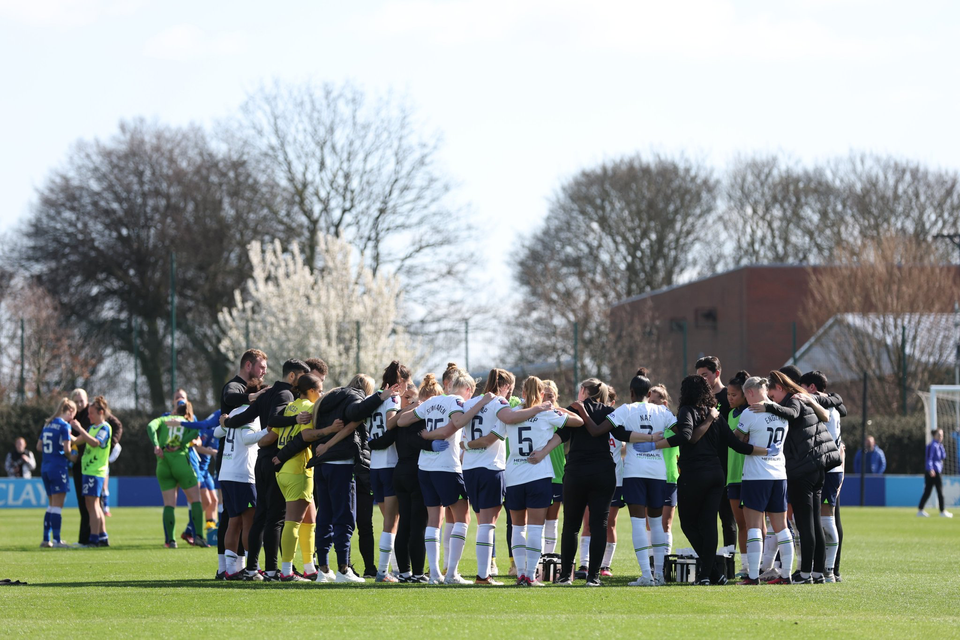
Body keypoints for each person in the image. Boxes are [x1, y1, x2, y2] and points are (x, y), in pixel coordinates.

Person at [275, 373, 400, 583]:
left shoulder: (328, 397)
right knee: (345, 516)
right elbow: (354, 415)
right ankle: (344, 568)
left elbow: (310, 432)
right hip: (340, 464)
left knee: (325, 516)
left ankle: (323, 568)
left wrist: (285, 455)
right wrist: (380, 397)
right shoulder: (355, 397)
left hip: (320, 464)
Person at [653, 375, 755, 585]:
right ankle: (710, 575)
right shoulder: (716, 414)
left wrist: (657, 443)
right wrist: (763, 450)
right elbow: (735, 444)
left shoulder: (688, 411)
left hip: (694, 475)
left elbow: (688, 436)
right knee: (708, 524)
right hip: (716, 474)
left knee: (689, 524)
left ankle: (712, 572)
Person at [455, 368, 551, 585]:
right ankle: (483, 575)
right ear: (506, 386)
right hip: (491, 468)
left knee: (482, 522)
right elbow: (510, 418)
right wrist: (538, 408)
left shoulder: (470, 403)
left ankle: (485, 572)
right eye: (510, 389)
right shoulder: (499, 403)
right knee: (488, 524)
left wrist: (467, 445)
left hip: (469, 468)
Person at [399, 368, 494, 584]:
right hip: (446, 467)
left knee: (434, 520)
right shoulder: (456, 403)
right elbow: (456, 425)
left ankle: (434, 574)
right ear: (468, 390)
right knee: (463, 517)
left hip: (425, 467)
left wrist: (419, 411)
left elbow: (402, 421)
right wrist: (481, 403)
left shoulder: (432, 402)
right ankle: (451, 574)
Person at [222, 358, 310, 580]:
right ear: (292, 376)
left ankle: (252, 568)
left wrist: (226, 423)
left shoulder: (266, 394)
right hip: (274, 460)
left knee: (261, 515)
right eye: (302, 377)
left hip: (261, 461)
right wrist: (296, 418)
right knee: (275, 518)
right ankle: (271, 570)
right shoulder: (285, 395)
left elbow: (242, 418)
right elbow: (274, 420)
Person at [752, 370, 836, 584]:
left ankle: (805, 573)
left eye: (771, 395)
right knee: (814, 522)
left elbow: (792, 413)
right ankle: (817, 572)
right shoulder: (802, 397)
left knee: (806, 523)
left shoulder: (794, 400)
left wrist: (769, 407)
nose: (771, 399)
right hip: (817, 467)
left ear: (779, 388)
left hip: (803, 469)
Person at [504, 376, 583, 586]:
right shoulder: (547, 413)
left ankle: (520, 573)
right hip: (538, 475)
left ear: (522, 393)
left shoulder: (512, 413)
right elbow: (578, 421)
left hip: (513, 475)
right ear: (541, 394)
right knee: (536, 528)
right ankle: (530, 575)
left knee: (518, 527)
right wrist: (558, 409)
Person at [605, 370, 679, 586]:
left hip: (635, 471)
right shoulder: (662, 412)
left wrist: (639, 438)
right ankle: (660, 576)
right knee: (656, 524)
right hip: (658, 472)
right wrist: (656, 442)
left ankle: (646, 575)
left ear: (630, 392)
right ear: (649, 392)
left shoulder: (626, 409)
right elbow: (680, 433)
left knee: (638, 523)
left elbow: (614, 431)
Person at [215, 348, 269, 579]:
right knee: (250, 521)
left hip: (227, 471)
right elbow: (248, 437)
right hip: (242, 473)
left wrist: (226, 424)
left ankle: (230, 569)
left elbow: (218, 430)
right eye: (262, 368)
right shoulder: (249, 410)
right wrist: (269, 430)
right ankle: (250, 569)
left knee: (233, 521)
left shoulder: (234, 411)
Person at [734, 377, 792, 585]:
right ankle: (786, 575)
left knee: (753, 527)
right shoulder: (780, 411)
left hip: (756, 476)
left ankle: (752, 576)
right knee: (782, 527)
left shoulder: (750, 412)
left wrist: (745, 438)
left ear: (749, 393)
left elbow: (736, 438)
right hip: (779, 474)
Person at [270, 373, 324, 581]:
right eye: (320, 390)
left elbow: (271, 433)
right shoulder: (309, 408)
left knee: (310, 520)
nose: (321, 394)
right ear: (311, 391)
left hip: (284, 471)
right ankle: (286, 571)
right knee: (292, 522)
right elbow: (307, 436)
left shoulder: (290, 407)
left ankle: (309, 568)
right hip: (297, 469)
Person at [365, 361, 413, 583]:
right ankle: (383, 573)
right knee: (391, 523)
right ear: (400, 382)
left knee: (389, 521)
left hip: (374, 466)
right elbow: (391, 423)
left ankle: (392, 569)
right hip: (390, 464)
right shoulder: (393, 398)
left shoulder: (374, 397)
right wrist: (411, 409)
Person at [389, 380, 437, 582]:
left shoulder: (403, 417)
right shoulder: (420, 417)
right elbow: (416, 440)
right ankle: (417, 573)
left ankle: (404, 572)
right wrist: (432, 444)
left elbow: (384, 438)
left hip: (399, 470)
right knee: (418, 525)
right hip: (415, 471)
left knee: (405, 524)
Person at [800, 370, 844, 581]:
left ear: (812, 388)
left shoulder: (823, 409)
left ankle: (829, 570)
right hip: (832, 469)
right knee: (826, 519)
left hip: (828, 469)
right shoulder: (832, 406)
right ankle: (829, 569)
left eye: (802, 387)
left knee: (827, 520)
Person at [147, 400, 207, 548]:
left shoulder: (164, 419)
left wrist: (156, 445)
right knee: (195, 500)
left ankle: (170, 541)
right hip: (181, 462)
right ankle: (198, 536)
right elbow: (196, 431)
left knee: (169, 504)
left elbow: (150, 426)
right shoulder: (186, 421)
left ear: (174, 411)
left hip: (163, 463)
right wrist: (182, 443)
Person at [68, 388, 123, 547]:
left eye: (91, 413)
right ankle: (102, 536)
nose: (89, 416)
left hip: (96, 471)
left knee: (93, 505)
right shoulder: (92, 427)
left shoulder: (104, 428)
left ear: (100, 412)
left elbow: (94, 442)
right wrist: (65, 432)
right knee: (92, 504)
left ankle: (93, 538)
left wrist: (79, 428)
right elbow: (78, 440)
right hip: (87, 470)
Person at [696, 356, 737, 550]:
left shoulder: (729, 397)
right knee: (706, 515)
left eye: (705, 375)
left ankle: (728, 560)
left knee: (727, 517)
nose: (702, 380)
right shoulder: (699, 399)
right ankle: (709, 559)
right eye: (699, 376)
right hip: (705, 465)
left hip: (727, 463)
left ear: (717, 373)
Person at [37, 398, 77, 548]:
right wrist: (72, 456)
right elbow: (67, 450)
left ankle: (46, 538)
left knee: (51, 505)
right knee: (58, 506)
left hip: (45, 468)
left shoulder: (48, 424)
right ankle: (57, 540)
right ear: (70, 411)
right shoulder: (64, 426)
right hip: (58, 468)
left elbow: (39, 446)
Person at [724, 371, 750, 576]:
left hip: (750, 474)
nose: (730, 398)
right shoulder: (730, 414)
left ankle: (761, 563)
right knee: (741, 524)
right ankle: (746, 565)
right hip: (732, 475)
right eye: (728, 395)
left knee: (755, 523)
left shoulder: (751, 413)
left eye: (734, 395)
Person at [647, 384, 678, 554]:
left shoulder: (674, 425)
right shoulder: (644, 424)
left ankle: (664, 563)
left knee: (665, 524)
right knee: (649, 524)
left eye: (654, 402)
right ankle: (651, 563)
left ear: (664, 404)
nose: (650, 405)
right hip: (649, 477)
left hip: (669, 479)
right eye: (649, 401)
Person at [918, 429, 953, 518]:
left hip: (936, 471)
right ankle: (942, 511)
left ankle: (920, 509)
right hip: (933, 471)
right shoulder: (932, 445)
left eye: (941, 435)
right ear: (934, 435)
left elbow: (943, 456)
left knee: (928, 491)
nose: (941, 437)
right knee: (939, 491)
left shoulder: (938, 445)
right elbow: (929, 458)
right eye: (939, 435)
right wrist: (930, 469)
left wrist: (941, 447)